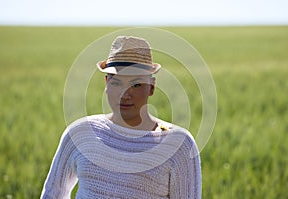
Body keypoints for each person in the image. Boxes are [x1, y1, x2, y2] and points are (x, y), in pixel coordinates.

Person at [41, 36, 201, 198]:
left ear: (151, 87)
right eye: (116, 83)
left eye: (136, 85)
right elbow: (52, 194)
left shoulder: (179, 145)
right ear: (106, 84)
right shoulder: (79, 133)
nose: (125, 94)